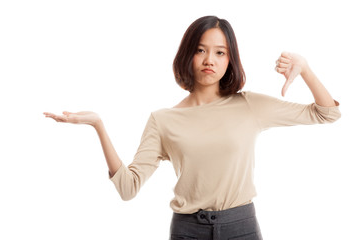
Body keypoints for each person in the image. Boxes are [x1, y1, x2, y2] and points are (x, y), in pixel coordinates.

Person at [43, 15, 341, 240]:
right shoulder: (163, 120)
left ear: (230, 60)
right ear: (188, 55)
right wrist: (98, 125)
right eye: (200, 50)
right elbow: (127, 188)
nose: (209, 60)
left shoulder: (248, 105)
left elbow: (327, 114)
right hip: (187, 230)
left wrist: (305, 69)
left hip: (241, 227)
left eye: (220, 52)